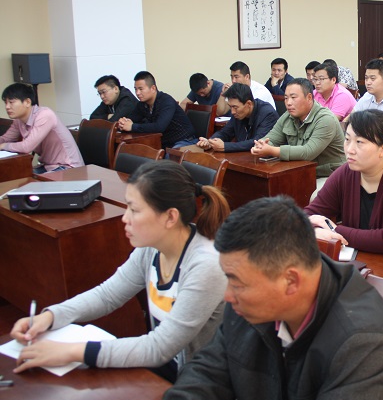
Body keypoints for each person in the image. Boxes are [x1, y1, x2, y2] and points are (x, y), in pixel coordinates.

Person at [158, 196, 383, 400]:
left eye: (237, 283)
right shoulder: (247, 300)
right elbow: (206, 376)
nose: (227, 295)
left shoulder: (364, 344)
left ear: (291, 281)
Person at [10, 161, 230, 382]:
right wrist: (51, 316)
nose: (125, 218)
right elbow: (107, 295)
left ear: (170, 217)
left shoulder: (205, 265)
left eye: (134, 210)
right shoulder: (152, 248)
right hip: (166, 369)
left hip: (202, 385)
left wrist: (71, 351)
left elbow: (159, 348)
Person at [305, 109, 383, 254]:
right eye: (347, 139)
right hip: (356, 258)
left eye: (359, 142)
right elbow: (308, 215)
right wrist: (313, 229)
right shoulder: (345, 173)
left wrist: (334, 230)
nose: (350, 150)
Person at [252, 78, 345, 181]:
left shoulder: (326, 119)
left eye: (293, 97)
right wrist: (261, 145)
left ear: (309, 97)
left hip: (330, 175)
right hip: (301, 172)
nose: (288, 103)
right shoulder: (288, 116)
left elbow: (308, 152)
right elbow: (272, 138)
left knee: (309, 192)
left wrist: (272, 150)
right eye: (286, 98)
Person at [0, 83, 83, 174]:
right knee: (15, 176)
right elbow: (5, 139)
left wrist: (4, 146)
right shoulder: (19, 121)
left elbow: (26, 147)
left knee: (25, 180)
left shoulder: (45, 115)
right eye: (6, 102)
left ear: (27, 102)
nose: (7, 107)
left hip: (69, 168)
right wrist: (2, 143)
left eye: (11, 102)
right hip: (48, 166)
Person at [117, 71, 198, 149]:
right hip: (164, 143)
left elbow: (159, 127)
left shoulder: (166, 101)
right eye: (136, 89)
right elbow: (132, 119)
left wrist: (132, 126)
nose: (137, 93)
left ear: (153, 88)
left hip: (185, 141)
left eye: (141, 89)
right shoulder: (142, 104)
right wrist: (123, 123)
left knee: (168, 157)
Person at [196, 83, 278, 152]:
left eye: (235, 107)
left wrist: (225, 147)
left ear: (249, 104)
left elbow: (257, 142)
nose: (232, 112)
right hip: (243, 158)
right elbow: (225, 132)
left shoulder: (268, 114)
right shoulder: (237, 113)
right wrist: (211, 142)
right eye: (230, 107)